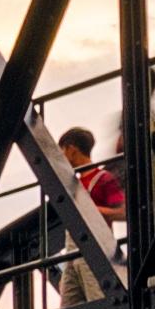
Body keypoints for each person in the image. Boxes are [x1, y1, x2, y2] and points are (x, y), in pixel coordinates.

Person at [51, 124, 124, 299]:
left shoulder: (103, 179)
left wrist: (92, 210)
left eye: (62, 151)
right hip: (71, 255)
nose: (62, 156)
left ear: (71, 149)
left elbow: (123, 212)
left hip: (94, 251)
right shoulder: (73, 184)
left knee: (98, 301)